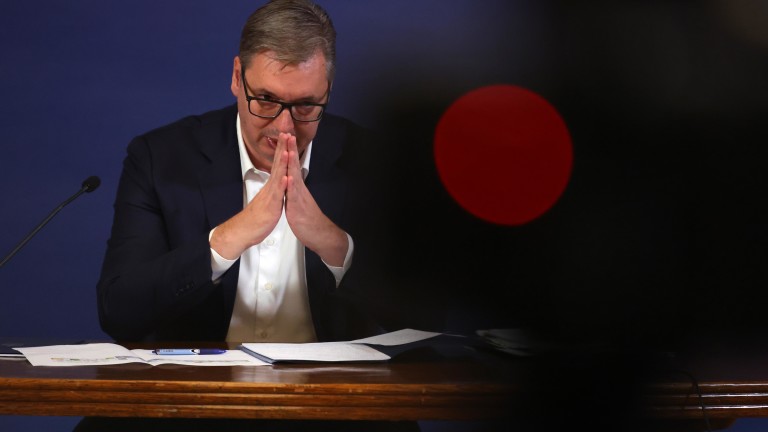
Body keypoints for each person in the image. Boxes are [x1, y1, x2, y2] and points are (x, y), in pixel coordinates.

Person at [81, 1, 415, 430]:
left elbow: (423, 318)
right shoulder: (161, 158)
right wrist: (226, 240)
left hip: (334, 409)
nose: (284, 128)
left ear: (328, 90)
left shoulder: (375, 161)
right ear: (238, 78)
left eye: (306, 105)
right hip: (193, 406)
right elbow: (119, 311)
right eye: (267, 100)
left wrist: (334, 245)